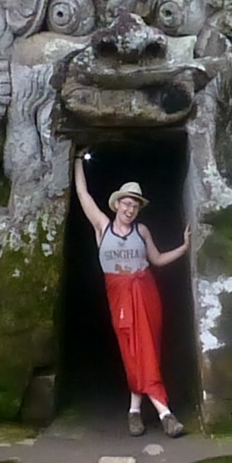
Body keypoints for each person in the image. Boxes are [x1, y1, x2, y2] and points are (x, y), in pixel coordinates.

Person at [73, 150, 190, 437]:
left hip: (147, 295)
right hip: (120, 298)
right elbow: (83, 194)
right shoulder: (103, 227)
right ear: (117, 204)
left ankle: (136, 412)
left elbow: (157, 259)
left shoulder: (142, 231)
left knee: (148, 350)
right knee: (132, 351)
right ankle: (163, 412)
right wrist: (77, 161)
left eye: (135, 205)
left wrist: (184, 247)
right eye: (127, 203)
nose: (130, 209)